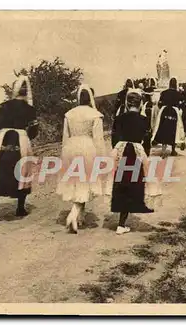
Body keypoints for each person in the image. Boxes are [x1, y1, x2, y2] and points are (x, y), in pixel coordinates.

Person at [0, 76, 39, 224]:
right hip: (21, 139)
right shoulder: (30, 109)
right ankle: (20, 207)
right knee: (22, 171)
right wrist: (26, 137)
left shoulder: (4, 106)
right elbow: (34, 130)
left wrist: (0, 134)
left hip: (2, 139)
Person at [105, 90, 161, 235]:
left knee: (121, 184)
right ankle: (122, 223)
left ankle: (121, 223)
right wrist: (145, 157)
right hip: (136, 153)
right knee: (133, 183)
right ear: (141, 103)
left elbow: (114, 139)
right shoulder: (144, 120)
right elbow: (147, 141)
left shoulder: (119, 118)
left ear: (126, 103)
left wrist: (116, 153)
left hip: (121, 151)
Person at [56, 84, 106, 233]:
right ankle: (73, 213)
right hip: (87, 147)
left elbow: (65, 137)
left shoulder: (69, 114)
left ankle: (80, 217)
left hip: (71, 147)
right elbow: (98, 139)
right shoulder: (95, 114)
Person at [151, 77, 184, 157]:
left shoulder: (164, 92)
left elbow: (159, 103)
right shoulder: (178, 93)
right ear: (176, 84)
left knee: (163, 129)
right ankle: (173, 150)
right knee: (174, 130)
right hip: (174, 112)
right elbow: (181, 103)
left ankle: (163, 151)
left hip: (164, 111)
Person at [112, 78, 135, 147]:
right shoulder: (135, 92)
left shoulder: (121, 93)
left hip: (122, 110)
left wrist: (114, 114)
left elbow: (117, 105)